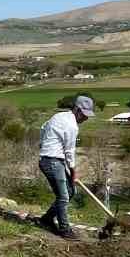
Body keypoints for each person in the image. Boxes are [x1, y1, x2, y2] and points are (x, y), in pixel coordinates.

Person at [36, 95, 94, 239]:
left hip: (51, 159)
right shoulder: (72, 126)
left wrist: (43, 143)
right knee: (63, 196)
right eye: (84, 115)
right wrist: (73, 171)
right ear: (77, 109)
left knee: (70, 191)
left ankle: (46, 219)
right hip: (52, 161)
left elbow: (43, 127)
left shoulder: (59, 116)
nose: (85, 119)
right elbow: (69, 151)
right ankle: (64, 230)